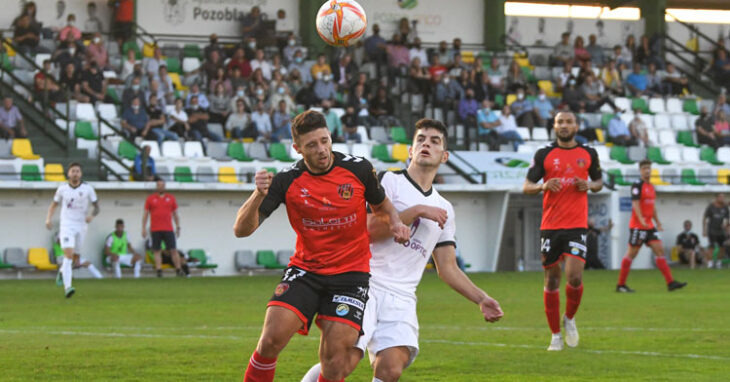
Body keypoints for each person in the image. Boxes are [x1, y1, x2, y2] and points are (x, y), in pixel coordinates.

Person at [301, 119, 503, 382]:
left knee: (391, 368)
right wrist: (416, 211)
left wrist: (481, 298)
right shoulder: (388, 181)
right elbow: (367, 229)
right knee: (342, 363)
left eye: (434, 141)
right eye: (421, 139)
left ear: (445, 156)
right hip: (364, 283)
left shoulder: (445, 208)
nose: (426, 144)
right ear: (410, 150)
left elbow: (448, 268)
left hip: (402, 296)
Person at [233, 110, 409, 382]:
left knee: (335, 362)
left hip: (350, 277)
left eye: (325, 141)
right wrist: (258, 195)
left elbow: (383, 207)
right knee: (270, 339)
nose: (322, 150)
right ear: (297, 148)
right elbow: (242, 230)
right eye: (312, 145)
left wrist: (395, 223)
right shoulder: (286, 180)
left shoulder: (358, 169)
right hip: (306, 271)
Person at [523, 111, 603, 351]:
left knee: (575, 276)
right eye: (560, 122)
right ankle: (555, 335)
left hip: (577, 224)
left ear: (576, 126)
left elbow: (599, 182)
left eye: (569, 122)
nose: (564, 126)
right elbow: (527, 186)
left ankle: (569, 318)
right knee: (552, 280)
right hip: (550, 226)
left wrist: (590, 185)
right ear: (554, 126)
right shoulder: (544, 154)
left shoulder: (588, 153)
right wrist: (543, 185)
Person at [616, 160, 687, 293]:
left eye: (648, 168)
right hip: (638, 226)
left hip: (649, 226)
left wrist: (658, 222)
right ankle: (620, 285)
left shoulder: (651, 186)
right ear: (640, 170)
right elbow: (635, 203)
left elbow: (652, 207)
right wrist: (641, 218)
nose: (647, 170)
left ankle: (670, 282)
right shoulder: (637, 185)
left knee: (659, 250)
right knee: (631, 254)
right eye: (644, 168)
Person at [45, 163, 100, 298]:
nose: (75, 173)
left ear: (81, 174)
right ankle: (68, 287)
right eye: (73, 171)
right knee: (68, 256)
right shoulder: (62, 189)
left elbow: (97, 206)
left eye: (77, 171)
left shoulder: (88, 188)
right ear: (68, 173)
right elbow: (53, 205)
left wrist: (91, 216)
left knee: (76, 257)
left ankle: (62, 272)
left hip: (81, 225)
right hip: (67, 225)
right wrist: (48, 219)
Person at [142, 178, 184, 278]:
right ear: (156, 187)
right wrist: (143, 228)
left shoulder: (171, 198)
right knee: (157, 250)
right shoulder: (150, 199)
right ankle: (159, 270)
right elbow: (145, 214)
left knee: (173, 250)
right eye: (159, 185)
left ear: (164, 186)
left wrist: (178, 226)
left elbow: (175, 214)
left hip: (168, 228)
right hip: (155, 229)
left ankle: (178, 269)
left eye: (162, 185)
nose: (160, 187)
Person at [703, 193, 729, 269]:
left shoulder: (725, 207)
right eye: (721, 197)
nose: (722, 198)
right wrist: (704, 230)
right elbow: (705, 218)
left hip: (721, 230)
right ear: (716, 198)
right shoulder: (711, 206)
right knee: (712, 247)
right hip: (712, 229)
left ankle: (719, 262)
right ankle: (710, 263)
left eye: (723, 197)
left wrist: (726, 226)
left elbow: (727, 218)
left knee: (722, 247)